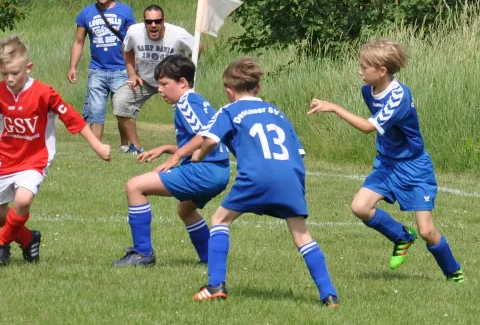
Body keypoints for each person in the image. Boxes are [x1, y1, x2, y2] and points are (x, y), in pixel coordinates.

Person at [308, 38, 463, 283]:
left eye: (364, 67)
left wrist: (334, 107)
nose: (359, 71)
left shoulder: (399, 97)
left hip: (414, 167)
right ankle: (401, 236)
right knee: (360, 207)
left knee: (426, 231)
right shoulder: (367, 90)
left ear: (381, 71)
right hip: (388, 163)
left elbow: (369, 127)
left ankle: (453, 272)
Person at [192, 57, 339, 306]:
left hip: (257, 176)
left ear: (229, 90)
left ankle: (215, 284)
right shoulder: (276, 112)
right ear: (258, 88)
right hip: (291, 175)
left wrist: (198, 156)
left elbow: (209, 140)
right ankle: (328, 294)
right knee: (302, 235)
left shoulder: (229, 110)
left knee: (220, 220)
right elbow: (298, 153)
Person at [0, 36, 111, 266]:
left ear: (28, 67)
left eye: (14, 73)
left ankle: (1, 243)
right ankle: (28, 239)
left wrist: (97, 145)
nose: (9, 79)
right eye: (4, 74)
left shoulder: (44, 93)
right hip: (5, 159)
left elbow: (72, 117)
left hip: (35, 158)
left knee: (23, 199)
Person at [111, 54, 230, 267]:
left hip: (205, 171)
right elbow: (202, 144)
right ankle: (209, 258)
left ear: (182, 82)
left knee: (134, 187)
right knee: (185, 209)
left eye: (165, 84)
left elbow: (203, 135)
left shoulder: (187, 103)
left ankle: (142, 253)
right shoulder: (198, 102)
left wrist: (176, 157)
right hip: (219, 171)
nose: (159, 89)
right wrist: (167, 148)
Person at [113, 5, 199, 154]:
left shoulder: (178, 34)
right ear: (144, 21)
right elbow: (126, 50)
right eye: (149, 21)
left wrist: (186, 72)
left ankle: (191, 148)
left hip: (172, 82)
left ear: (163, 21)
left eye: (157, 21)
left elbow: (197, 48)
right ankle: (135, 148)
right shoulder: (134, 32)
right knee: (120, 102)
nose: (153, 25)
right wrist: (132, 74)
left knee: (187, 110)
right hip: (144, 80)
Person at [68, 0, 136, 152]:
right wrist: (73, 66)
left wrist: (135, 70)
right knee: (95, 111)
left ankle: (124, 146)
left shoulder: (125, 11)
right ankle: (95, 148)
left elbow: (134, 40)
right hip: (97, 70)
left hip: (121, 69)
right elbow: (78, 41)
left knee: (122, 110)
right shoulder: (86, 13)